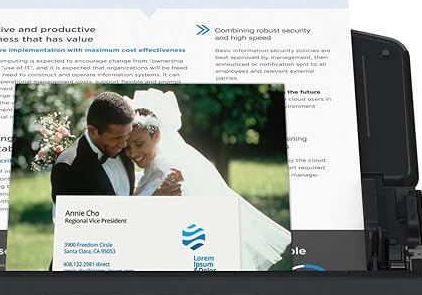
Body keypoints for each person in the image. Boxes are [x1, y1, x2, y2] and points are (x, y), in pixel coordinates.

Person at [126, 89, 291, 270]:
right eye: (127, 146)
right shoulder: (147, 173)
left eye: (139, 144)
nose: (132, 152)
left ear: (156, 136)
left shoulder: (171, 177)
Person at [50, 91, 179, 201]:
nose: (124, 145)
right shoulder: (67, 168)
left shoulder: (123, 149)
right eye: (117, 138)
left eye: (126, 136)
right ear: (92, 131)